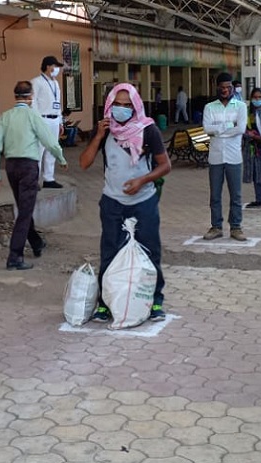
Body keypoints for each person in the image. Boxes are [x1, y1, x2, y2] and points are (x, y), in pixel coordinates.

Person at [79, 83, 172, 323]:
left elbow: (165, 165)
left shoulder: (148, 130)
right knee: (109, 250)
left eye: (127, 105)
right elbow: (84, 163)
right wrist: (98, 135)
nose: (121, 109)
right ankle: (106, 303)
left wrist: (142, 180)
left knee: (150, 250)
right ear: (109, 105)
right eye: (117, 105)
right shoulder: (105, 130)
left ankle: (155, 301)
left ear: (136, 106)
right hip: (112, 202)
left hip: (143, 202)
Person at [0, 81, 66, 270]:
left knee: (24, 208)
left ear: (15, 96)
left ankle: (37, 242)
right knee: (24, 212)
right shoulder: (33, 115)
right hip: (29, 167)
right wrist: (61, 158)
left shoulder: (5, 117)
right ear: (30, 97)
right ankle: (15, 256)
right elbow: (48, 140)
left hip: (12, 166)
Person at [202, 73, 248, 241]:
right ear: (218, 88)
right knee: (215, 194)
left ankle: (236, 227)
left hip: (234, 156)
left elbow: (241, 128)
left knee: (236, 194)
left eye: (228, 87)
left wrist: (218, 130)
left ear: (232, 88)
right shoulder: (209, 107)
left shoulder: (241, 106)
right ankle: (216, 226)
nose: (225, 90)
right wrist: (230, 126)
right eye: (222, 87)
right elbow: (206, 129)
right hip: (215, 157)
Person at [31, 55, 65, 189]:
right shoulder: (36, 82)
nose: (57, 69)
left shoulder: (55, 83)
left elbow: (58, 103)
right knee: (38, 151)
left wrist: (60, 121)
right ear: (47, 66)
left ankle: (49, 178)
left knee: (52, 149)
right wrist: (36, 120)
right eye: (55, 66)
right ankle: (33, 180)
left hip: (54, 120)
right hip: (42, 119)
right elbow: (32, 103)